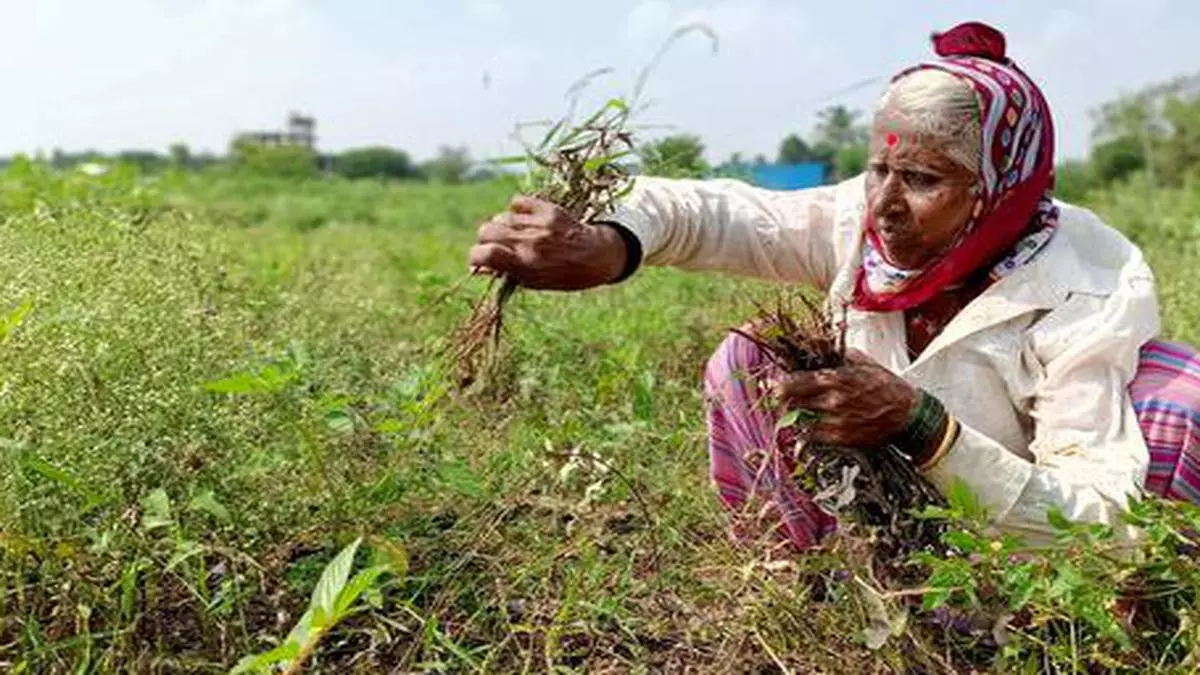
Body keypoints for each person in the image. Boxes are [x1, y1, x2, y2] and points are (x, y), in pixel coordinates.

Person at [466, 21, 1200, 549]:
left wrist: (923, 426)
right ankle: (815, 574)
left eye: (922, 179)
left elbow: (1104, 518)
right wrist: (607, 245)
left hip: (1022, 531)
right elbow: (712, 212)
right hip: (884, 501)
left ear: (1000, 189)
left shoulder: (1085, 284)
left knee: (1177, 399)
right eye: (879, 168)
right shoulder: (867, 216)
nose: (882, 204)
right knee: (748, 358)